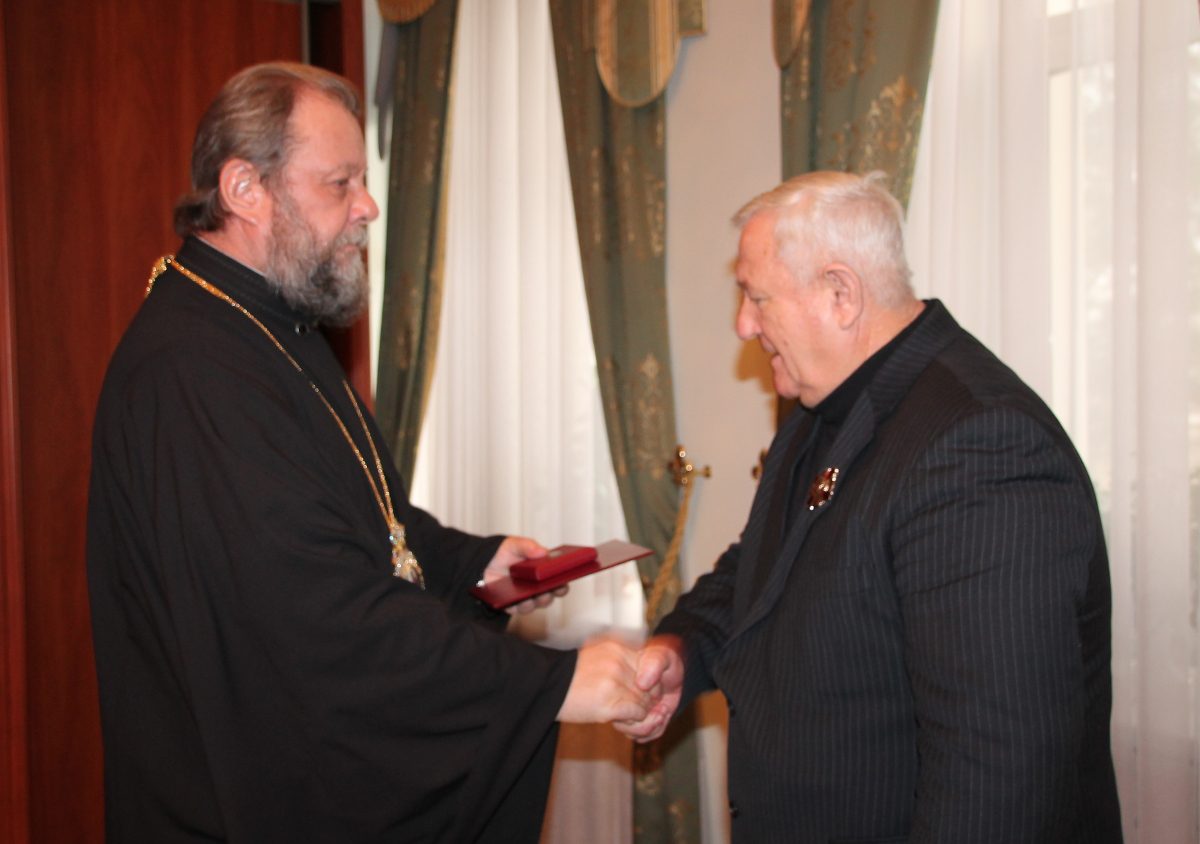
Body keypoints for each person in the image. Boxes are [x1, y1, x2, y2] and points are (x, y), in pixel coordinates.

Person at [87, 62, 651, 843]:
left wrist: (478, 564)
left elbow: (365, 518)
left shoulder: (275, 324)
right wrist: (548, 685)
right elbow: (321, 620)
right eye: (340, 183)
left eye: (363, 180)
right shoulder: (193, 373)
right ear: (245, 189)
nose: (369, 206)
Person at [619, 171, 1122, 842]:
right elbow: (766, 567)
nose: (743, 324)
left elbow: (996, 782)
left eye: (757, 297)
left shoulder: (980, 445)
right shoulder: (821, 404)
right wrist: (684, 648)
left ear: (840, 293)